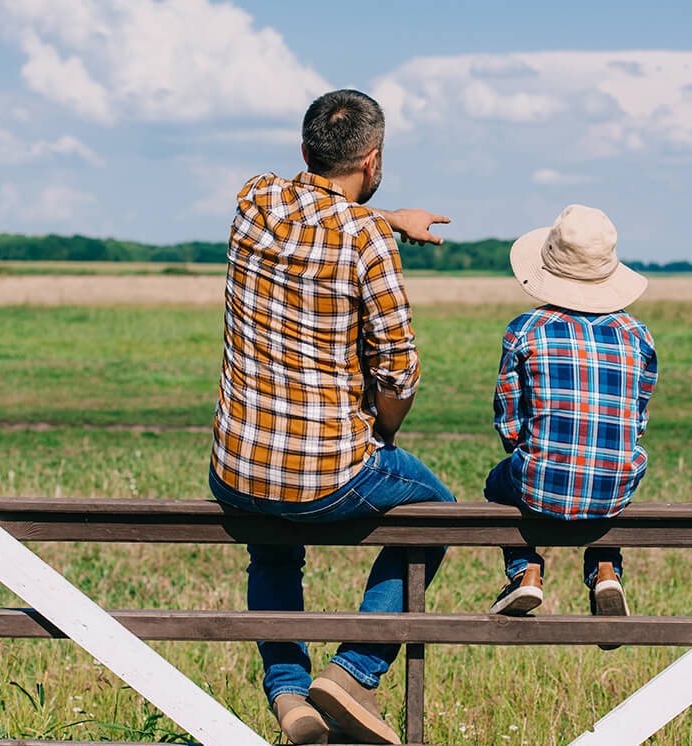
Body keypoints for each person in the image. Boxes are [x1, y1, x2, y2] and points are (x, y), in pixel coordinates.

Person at [208, 89, 454, 745]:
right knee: (439, 513)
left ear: (303, 151)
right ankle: (352, 673)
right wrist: (384, 435)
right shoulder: (368, 243)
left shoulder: (253, 200)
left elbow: (319, 208)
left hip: (238, 470)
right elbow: (398, 371)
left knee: (273, 550)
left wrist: (385, 216)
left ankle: (289, 696)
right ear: (371, 160)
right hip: (328, 476)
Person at [483, 204, 658, 645]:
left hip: (538, 482)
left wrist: (534, 449)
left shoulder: (525, 330)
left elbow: (508, 425)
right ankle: (604, 570)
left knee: (496, 486)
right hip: (616, 485)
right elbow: (636, 420)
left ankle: (526, 572)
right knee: (605, 476)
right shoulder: (638, 335)